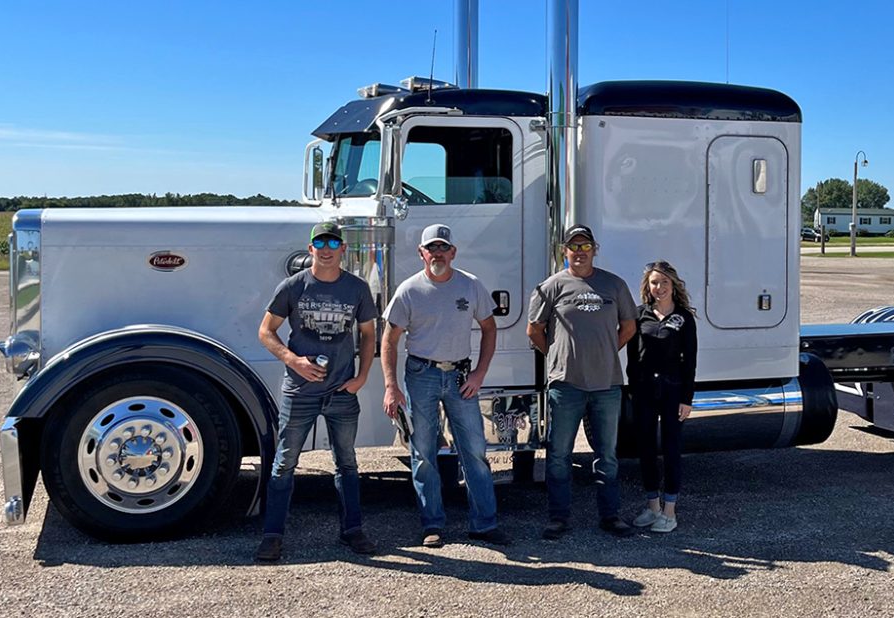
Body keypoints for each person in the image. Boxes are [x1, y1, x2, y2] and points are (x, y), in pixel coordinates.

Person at [255, 221, 378, 561]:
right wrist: (293, 360)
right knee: (284, 463)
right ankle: (272, 536)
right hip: (300, 392)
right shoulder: (293, 286)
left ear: (343, 249)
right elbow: (266, 331)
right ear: (310, 249)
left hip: (342, 392)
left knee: (347, 463)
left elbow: (369, 334)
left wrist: (362, 377)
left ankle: (352, 530)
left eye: (333, 243)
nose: (326, 249)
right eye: (320, 243)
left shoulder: (357, 288)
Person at [381, 223, 510, 548]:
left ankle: (484, 524)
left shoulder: (471, 285)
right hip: (420, 374)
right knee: (423, 453)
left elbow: (490, 329)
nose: (437, 253)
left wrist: (480, 374)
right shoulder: (409, 290)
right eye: (431, 248)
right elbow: (389, 340)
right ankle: (432, 525)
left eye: (443, 248)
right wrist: (391, 386)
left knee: (475, 452)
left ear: (453, 252)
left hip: (460, 377)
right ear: (421, 253)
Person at [527, 224, 638, 540]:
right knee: (559, 455)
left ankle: (610, 516)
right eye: (573, 246)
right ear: (564, 251)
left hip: (607, 384)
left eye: (585, 246)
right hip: (566, 385)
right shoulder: (551, 286)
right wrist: (558, 355)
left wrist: (606, 350)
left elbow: (629, 327)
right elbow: (534, 330)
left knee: (608, 455)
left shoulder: (614, 285)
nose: (579, 252)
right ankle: (558, 518)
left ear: (594, 249)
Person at [626, 260, 697, 533]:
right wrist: (633, 387)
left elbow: (690, 361)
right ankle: (652, 506)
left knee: (671, 448)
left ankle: (670, 511)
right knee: (645, 448)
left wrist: (686, 398)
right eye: (654, 282)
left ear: (673, 285)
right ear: (648, 286)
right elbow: (632, 357)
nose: (659, 287)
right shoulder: (639, 314)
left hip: (672, 390)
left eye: (664, 282)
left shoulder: (683, 318)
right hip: (644, 391)